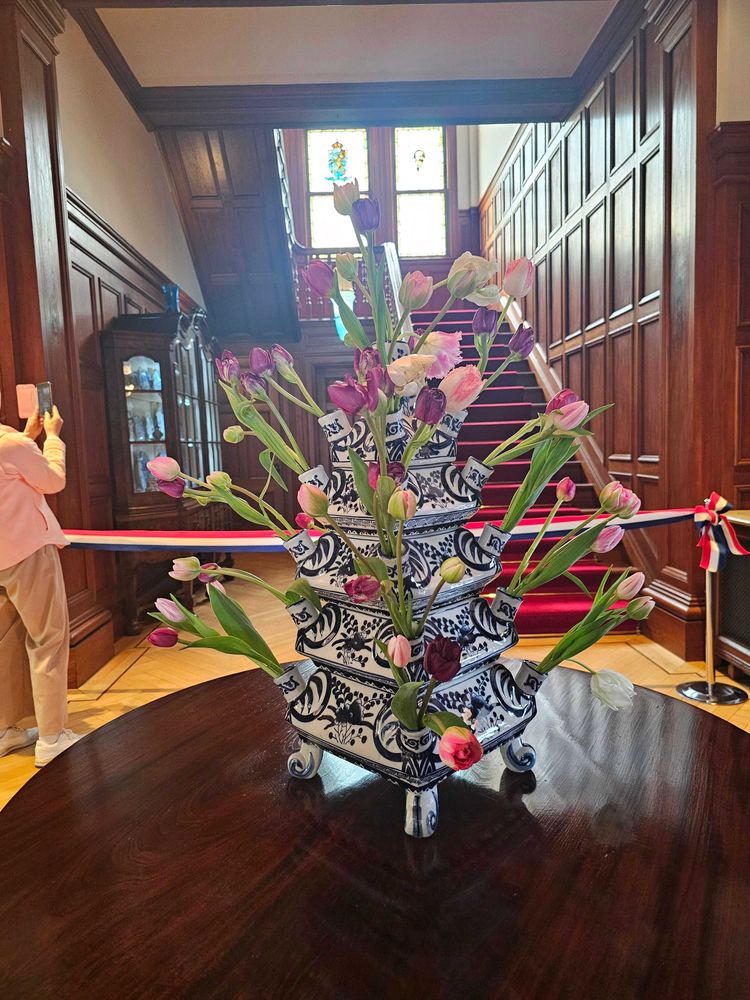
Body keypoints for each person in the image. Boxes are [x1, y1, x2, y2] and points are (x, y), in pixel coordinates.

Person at [0, 404, 84, 766]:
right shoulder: (10, 444)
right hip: (27, 551)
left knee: (4, 644)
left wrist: (27, 437)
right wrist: (51, 437)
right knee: (48, 640)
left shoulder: (13, 443)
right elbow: (52, 480)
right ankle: (52, 737)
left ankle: (4, 730)